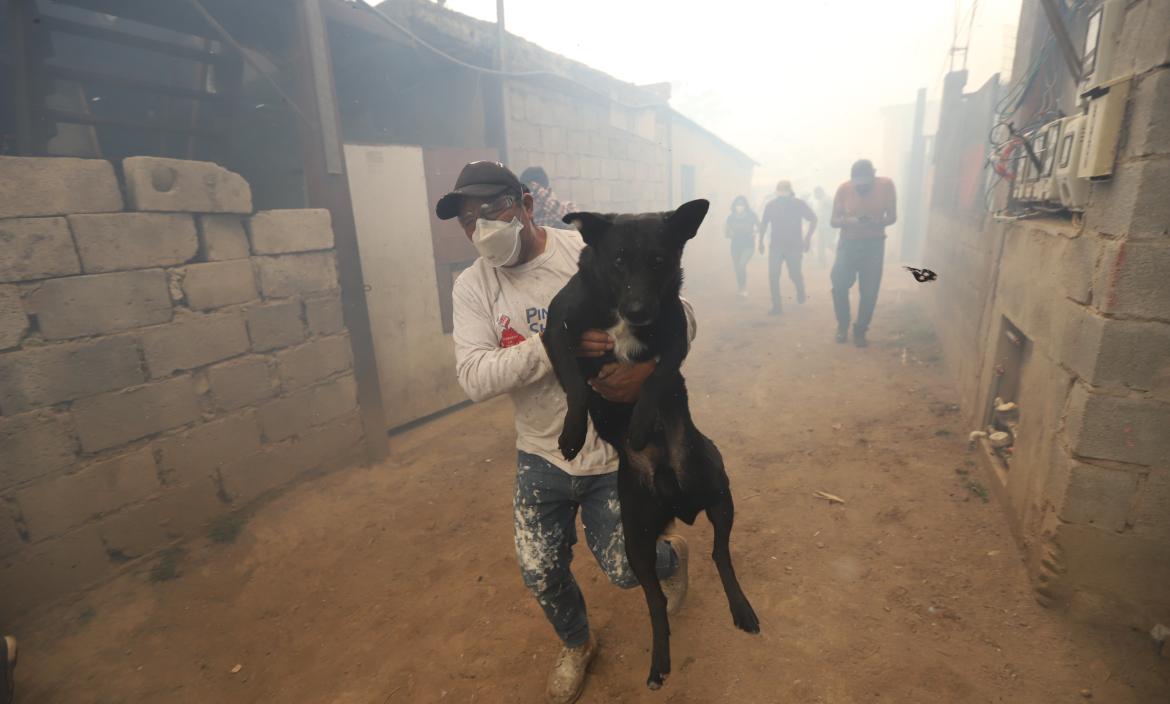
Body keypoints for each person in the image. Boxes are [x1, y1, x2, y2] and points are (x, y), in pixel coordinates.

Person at [439, 161, 691, 704]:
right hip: (540, 451)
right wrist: (557, 340)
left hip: (610, 449)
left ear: (526, 204)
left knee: (628, 569)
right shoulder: (472, 287)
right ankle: (577, 644)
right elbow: (474, 378)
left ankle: (672, 559)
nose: (481, 227)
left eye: (492, 210)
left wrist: (646, 372)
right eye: (466, 220)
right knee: (539, 569)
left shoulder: (591, 253)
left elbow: (683, 315)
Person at [829, 159, 897, 347]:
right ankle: (842, 325)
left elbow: (892, 217)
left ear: (873, 177)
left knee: (869, 291)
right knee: (839, 284)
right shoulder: (844, 188)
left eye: (865, 185)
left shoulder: (886, 186)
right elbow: (833, 221)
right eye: (858, 185)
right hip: (848, 243)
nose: (861, 189)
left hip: (874, 244)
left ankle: (860, 330)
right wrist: (851, 221)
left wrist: (875, 222)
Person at [757, 180, 817, 315]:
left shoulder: (798, 204)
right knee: (773, 275)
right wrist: (760, 241)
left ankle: (800, 289)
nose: (782, 193)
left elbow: (813, 218)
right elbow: (764, 223)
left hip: (794, 246)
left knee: (794, 274)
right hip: (776, 246)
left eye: (785, 190)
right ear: (776, 192)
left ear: (790, 191)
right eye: (780, 190)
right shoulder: (771, 206)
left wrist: (807, 239)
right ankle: (777, 305)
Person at [725, 195, 758, 297]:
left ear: (745, 206)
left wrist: (755, 232)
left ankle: (743, 288)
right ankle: (740, 287)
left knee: (741, 265)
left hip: (748, 245)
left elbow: (759, 226)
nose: (739, 207)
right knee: (737, 268)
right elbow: (727, 232)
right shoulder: (730, 217)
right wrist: (729, 234)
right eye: (738, 205)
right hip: (735, 245)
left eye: (742, 205)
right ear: (734, 206)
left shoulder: (751, 215)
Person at [809, 186, 836, 267]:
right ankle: (822, 262)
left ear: (820, 192)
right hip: (822, 226)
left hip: (828, 227)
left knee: (829, 244)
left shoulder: (828, 199)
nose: (814, 196)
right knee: (821, 245)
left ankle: (843, 256)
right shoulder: (820, 201)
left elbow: (835, 210)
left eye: (815, 194)